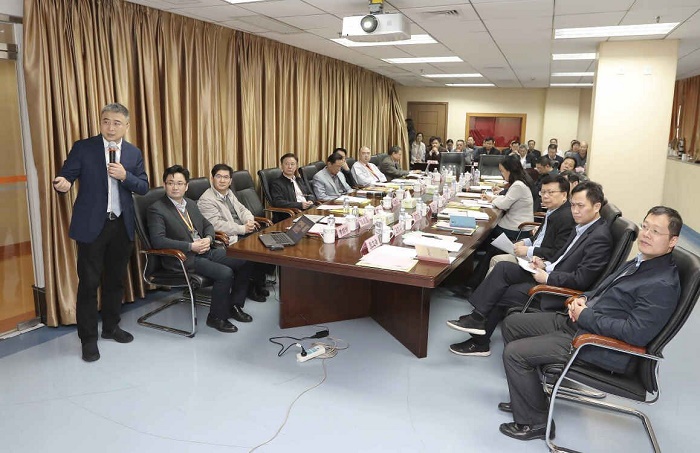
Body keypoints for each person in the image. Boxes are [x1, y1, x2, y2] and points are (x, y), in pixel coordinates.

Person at [498, 206, 682, 441]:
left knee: (515, 354)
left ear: (672, 241)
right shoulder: (642, 262)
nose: (646, 234)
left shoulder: (662, 285)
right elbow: (604, 288)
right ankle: (530, 397)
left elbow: (635, 334)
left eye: (655, 231)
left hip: (597, 345)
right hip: (581, 324)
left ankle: (536, 423)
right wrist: (583, 299)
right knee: (513, 324)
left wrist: (585, 315)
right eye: (645, 226)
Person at [446, 181, 613, 357]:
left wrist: (547, 277)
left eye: (580, 206)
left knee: (502, 291)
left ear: (596, 206)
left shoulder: (599, 238)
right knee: (503, 268)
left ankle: (480, 342)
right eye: (573, 205)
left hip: (556, 291)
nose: (575, 211)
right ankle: (477, 318)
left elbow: (581, 280)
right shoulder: (583, 227)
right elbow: (562, 255)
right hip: (549, 272)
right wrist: (544, 264)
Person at [53, 103, 149, 362]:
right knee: (88, 284)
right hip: (92, 226)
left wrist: (125, 176)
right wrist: (63, 183)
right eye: (106, 121)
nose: (110, 127)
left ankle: (110, 327)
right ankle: (88, 339)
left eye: (117, 123)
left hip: (121, 225)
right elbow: (66, 175)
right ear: (100, 122)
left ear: (126, 126)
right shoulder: (83, 147)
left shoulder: (133, 153)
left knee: (115, 281)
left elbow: (143, 186)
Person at [147, 165, 254, 333]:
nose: (175, 187)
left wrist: (209, 238)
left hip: (204, 250)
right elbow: (158, 241)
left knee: (245, 259)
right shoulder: (157, 209)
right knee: (225, 273)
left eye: (180, 183)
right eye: (170, 183)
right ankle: (216, 317)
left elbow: (208, 225)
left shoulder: (189, 203)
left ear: (186, 186)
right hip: (183, 258)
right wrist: (191, 246)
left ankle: (234, 305)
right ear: (164, 185)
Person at [455, 155, 534, 295]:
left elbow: (504, 203)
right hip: (515, 225)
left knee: (482, 232)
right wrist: (494, 198)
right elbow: (506, 199)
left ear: (510, 170)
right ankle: (471, 283)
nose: (502, 174)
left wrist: (493, 199)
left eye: (502, 171)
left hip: (517, 229)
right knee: (488, 242)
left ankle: (470, 283)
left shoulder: (518, 185)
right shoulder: (520, 182)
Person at [197, 163, 270, 302]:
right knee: (255, 249)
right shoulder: (206, 200)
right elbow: (216, 225)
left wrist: (249, 220)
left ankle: (257, 283)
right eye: (218, 176)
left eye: (226, 177)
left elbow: (242, 209)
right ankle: (250, 288)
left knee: (265, 242)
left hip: (241, 229)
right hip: (227, 237)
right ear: (212, 178)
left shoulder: (228, 193)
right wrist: (243, 229)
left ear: (230, 180)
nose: (222, 180)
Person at [487, 175, 575, 273]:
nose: (545, 196)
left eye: (551, 192)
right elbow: (540, 237)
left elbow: (558, 252)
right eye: (543, 192)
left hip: (542, 264)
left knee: (498, 262)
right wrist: (524, 242)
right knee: (496, 257)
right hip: (533, 255)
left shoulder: (566, 217)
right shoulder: (553, 210)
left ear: (564, 195)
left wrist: (528, 250)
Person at [270, 153, 316, 221]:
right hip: (293, 214)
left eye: (292, 164)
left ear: (296, 166)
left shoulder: (299, 180)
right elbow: (278, 202)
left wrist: (310, 200)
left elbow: (310, 194)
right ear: (281, 166)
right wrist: (300, 205)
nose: (290, 167)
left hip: (308, 209)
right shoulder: (276, 183)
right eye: (286, 164)